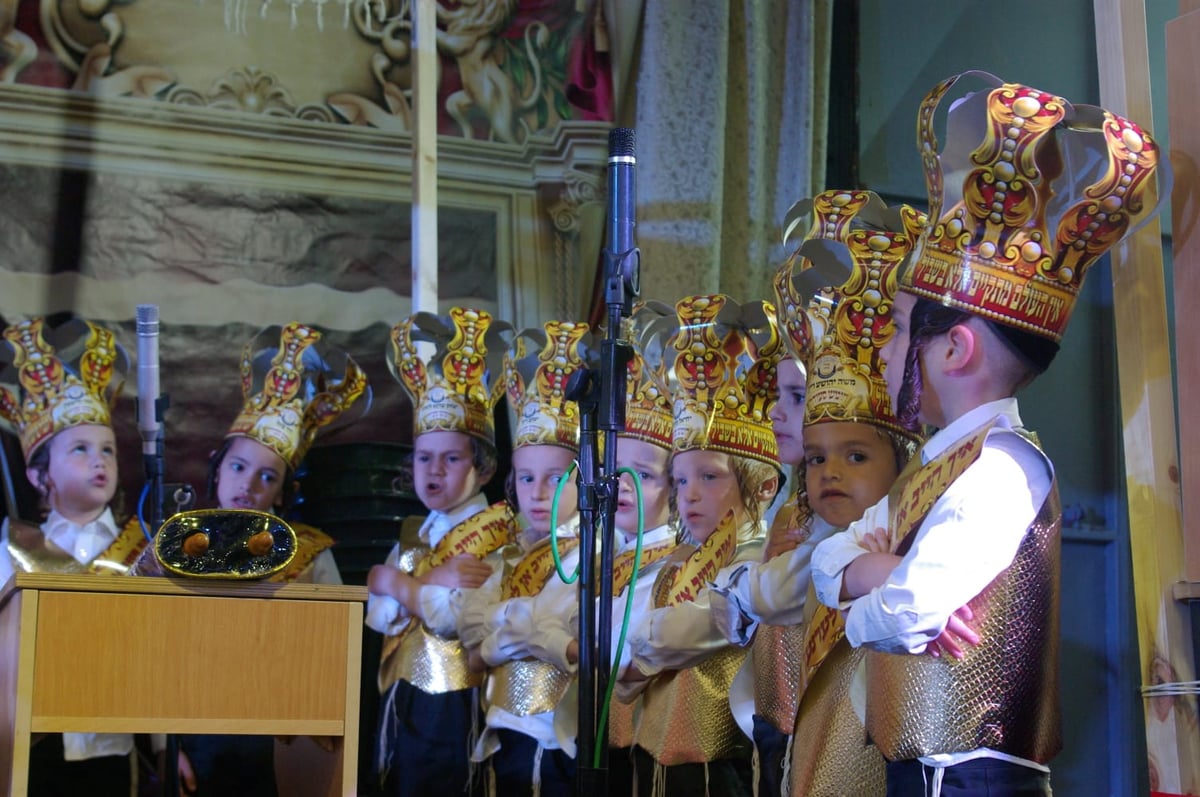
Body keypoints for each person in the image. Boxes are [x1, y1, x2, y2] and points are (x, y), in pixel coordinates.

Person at [810, 72, 1167, 796]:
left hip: (971, 777)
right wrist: (869, 577)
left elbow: (912, 609)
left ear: (955, 349)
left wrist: (860, 595)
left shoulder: (1004, 470)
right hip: (921, 766)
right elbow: (830, 560)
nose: (882, 349)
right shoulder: (931, 469)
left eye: (902, 328)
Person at [708, 189, 926, 796]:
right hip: (782, 716)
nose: (783, 417)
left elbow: (784, 585)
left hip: (856, 719)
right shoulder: (799, 498)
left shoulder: (885, 511)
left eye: (797, 398)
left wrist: (735, 587)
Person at [180, 321, 370, 797]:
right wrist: (168, 743)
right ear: (217, 466)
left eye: (268, 477)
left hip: (274, 727)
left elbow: (337, 648)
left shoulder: (310, 553)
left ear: (284, 491)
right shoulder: (179, 544)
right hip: (193, 724)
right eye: (239, 467)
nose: (249, 484)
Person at [619, 295, 782, 797]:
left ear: (763, 486)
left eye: (709, 477)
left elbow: (686, 630)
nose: (689, 494)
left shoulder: (757, 563)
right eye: (680, 478)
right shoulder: (676, 559)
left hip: (719, 766)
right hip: (651, 759)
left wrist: (634, 656)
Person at [366, 307, 515, 797]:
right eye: (424, 458)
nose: (434, 471)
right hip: (404, 695)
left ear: (483, 466)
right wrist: (423, 583)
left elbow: (451, 618)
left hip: (455, 702)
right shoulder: (416, 531)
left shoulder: (493, 533)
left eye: (452, 459)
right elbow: (377, 613)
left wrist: (403, 584)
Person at [0, 316, 146, 796]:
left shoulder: (139, 548)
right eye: (79, 450)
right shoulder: (14, 546)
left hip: (111, 741)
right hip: (34, 739)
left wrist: (168, 748)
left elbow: (156, 651)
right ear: (41, 477)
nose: (99, 460)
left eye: (107, 449)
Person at [457, 320, 597, 796]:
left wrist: (500, 635)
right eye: (525, 477)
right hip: (501, 731)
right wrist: (509, 632)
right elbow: (469, 633)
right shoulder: (504, 556)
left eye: (556, 478)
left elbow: (550, 623)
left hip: (559, 739)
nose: (536, 493)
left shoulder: (591, 554)